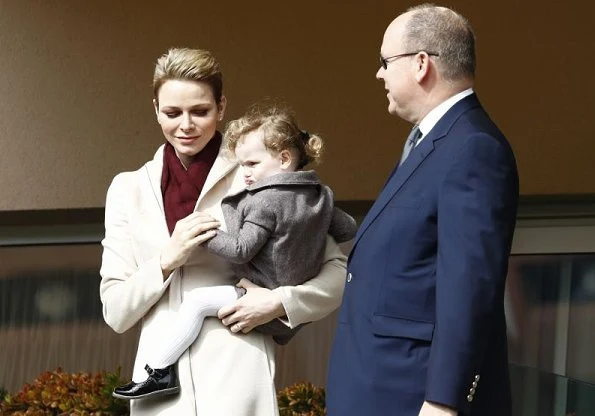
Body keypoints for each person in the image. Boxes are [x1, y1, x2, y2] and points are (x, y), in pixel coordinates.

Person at [99, 47, 347, 416]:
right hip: (160, 394)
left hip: (240, 381)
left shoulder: (257, 173)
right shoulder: (127, 189)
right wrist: (166, 260)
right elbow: (116, 311)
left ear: (222, 107)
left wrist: (278, 303)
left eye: (200, 111)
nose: (186, 125)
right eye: (171, 113)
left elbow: (336, 274)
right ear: (155, 109)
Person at [326, 4, 518, 416]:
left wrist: (443, 400)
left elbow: (470, 284)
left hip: (412, 397)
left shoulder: (472, 147)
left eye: (384, 61)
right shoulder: (432, 141)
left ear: (420, 64)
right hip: (380, 387)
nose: (379, 74)